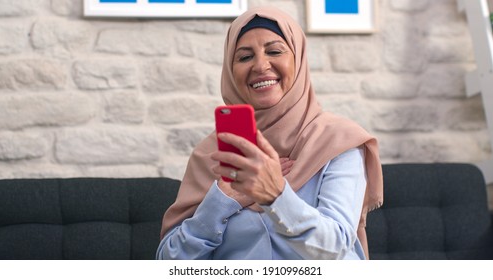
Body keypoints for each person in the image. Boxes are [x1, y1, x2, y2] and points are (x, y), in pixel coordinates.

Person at [156, 6, 383, 260]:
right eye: (244, 57)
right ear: (231, 73)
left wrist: (275, 195)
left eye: (274, 51)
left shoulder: (339, 143)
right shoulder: (211, 155)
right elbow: (169, 261)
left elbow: (336, 248)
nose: (260, 65)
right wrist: (221, 202)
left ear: (298, 60)